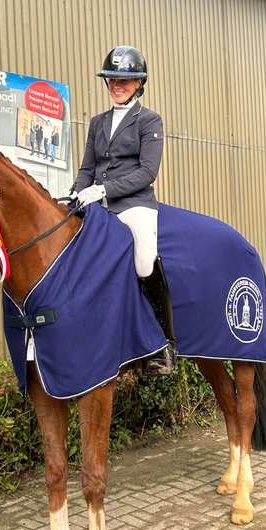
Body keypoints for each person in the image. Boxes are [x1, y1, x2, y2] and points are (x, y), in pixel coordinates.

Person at [71, 45, 176, 375]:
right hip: (97, 203)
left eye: (125, 80)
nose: (117, 85)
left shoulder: (149, 120)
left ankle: (164, 345)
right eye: (112, 80)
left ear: (139, 83)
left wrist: (104, 190)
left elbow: (147, 171)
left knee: (144, 262)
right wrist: (76, 192)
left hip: (133, 204)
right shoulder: (98, 122)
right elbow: (88, 167)